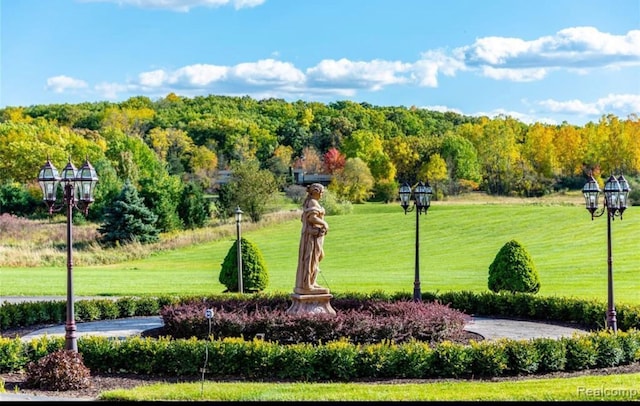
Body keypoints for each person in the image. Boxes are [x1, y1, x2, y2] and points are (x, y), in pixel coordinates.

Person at [294, 183, 330, 295]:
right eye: (321, 192)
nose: (322, 194)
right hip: (311, 237)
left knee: (318, 256)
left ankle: (311, 281)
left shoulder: (313, 202)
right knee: (311, 258)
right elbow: (312, 217)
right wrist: (324, 223)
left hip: (316, 236)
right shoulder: (312, 202)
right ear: (316, 192)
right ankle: (307, 284)